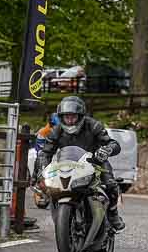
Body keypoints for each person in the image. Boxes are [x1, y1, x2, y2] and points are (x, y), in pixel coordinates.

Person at [34, 96, 125, 231]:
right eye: (66, 117)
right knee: (48, 186)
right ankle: (60, 217)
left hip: (95, 162)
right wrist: (41, 172)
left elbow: (113, 143)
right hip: (66, 165)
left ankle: (113, 214)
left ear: (80, 116)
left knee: (110, 184)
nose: (70, 120)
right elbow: (45, 153)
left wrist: (106, 150)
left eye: (73, 117)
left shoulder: (93, 125)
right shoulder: (57, 131)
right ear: (61, 117)